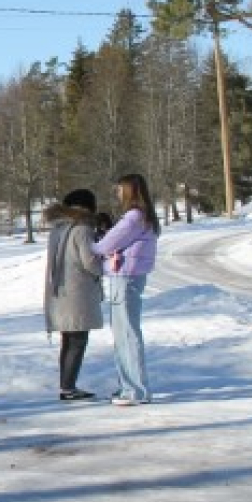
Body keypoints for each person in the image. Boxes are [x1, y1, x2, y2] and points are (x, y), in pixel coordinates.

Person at [93, 173, 160, 407]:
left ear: (130, 191)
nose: (118, 193)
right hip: (127, 276)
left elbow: (106, 244)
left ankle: (135, 390)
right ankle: (128, 386)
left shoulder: (133, 218)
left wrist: (92, 245)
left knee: (127, 334)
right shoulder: (143, 217)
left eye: (120, 189)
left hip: (125, 278)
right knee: (124, 333)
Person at [43, 189, 105, 401]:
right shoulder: (82, 229)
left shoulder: (58, 228)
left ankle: (66, 384)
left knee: (68, 341)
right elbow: (90, 262)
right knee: (78, 340)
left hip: (59, 292)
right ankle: (68, 388)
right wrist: (104, 266)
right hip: (77, 292)